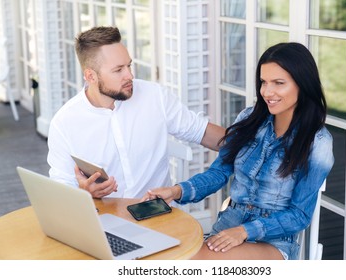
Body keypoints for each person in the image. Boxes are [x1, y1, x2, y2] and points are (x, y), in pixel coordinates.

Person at [143, 42, 335, 260]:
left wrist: (245, 231)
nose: (267, 92)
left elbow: (299, 216)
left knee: (193, 263)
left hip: (273, 241)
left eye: (278, 83)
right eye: (263, 82)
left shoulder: (318, 142)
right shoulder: (248, 119)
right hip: (228, 226)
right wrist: (176, 191)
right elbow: (218, 174)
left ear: (303, 84)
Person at [47, 26, 225, 199]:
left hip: (156, 218)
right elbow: (61, 187)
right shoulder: (64, 123)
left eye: (129, 66)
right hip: (103, 221)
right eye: (118, 70)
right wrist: (84, 191)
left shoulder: (155, 96)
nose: (130, 76)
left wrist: (250, 139)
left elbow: (201, 132)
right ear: (91, 76)